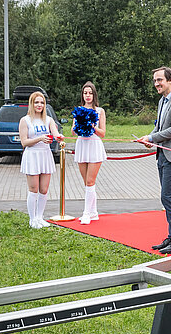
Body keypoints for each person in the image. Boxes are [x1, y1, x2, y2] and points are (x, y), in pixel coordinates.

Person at [137, 66, 171, 254]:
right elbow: (159, 126)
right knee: (167, 198)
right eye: (154, 80)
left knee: (168, 197)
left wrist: (153, 138)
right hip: (162, 154)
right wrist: (148, 137)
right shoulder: (163, 101)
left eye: (159, 80)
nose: (156, 84)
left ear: (170, 80)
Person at [19, 91, 63, 228]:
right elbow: (24, 142)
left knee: (44, 189)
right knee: (33, 188)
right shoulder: (25, 120)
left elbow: (55, 133)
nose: (39, 105)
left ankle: (40, 217)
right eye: (36, 102)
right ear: (31, 104)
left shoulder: (48, 120)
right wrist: (40, 138)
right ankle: (32, 220)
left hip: (45, 155)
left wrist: (59, 137)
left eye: (42, 102)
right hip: (32, 156)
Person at [72, 81, 106, 225]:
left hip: (94, 146)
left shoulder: (100, 111)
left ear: (94, 95)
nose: (87, 96)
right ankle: (93, 212)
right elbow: (73, 132)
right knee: (87, 182)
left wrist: (92, 126)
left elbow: (103, 133)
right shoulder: (78, 110)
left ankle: (86, 213)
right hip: (81, 145)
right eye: (85, 93)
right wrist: (79, 124)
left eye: (90, 93)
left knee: (90, 181)